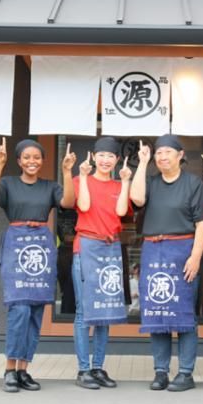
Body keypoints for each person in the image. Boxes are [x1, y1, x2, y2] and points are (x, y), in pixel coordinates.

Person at [0, 138, 76, 393]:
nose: (32, 161)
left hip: (41, 248)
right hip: (16, 246)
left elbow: (68, 203)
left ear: (43, 160)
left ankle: (23, 369)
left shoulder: (50, 186)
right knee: (19, 309)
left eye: (36, 157)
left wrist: (67, 172)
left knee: (35, 312)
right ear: (19, 160)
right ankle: (9, 369)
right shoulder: (8, 183)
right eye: (26, 157)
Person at [130, 135, 203, 392]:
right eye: (158, 153)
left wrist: (195, 257)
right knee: (157, 311)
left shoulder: (194, 184)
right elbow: (137, 199)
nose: (162, 156)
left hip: (183, 251)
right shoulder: (151, 183)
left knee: (184, 313)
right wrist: (143, 163)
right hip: (153, 250)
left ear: (180, 155)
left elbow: (202, 223)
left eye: (168, 152)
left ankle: (186, 372)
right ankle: (161, 371)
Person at [72, 137, 133, 389]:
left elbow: (121, 212)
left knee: (105, 311)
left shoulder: (119, 185)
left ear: (117, 160)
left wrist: (126, 182)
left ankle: (98, 367)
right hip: (86, 246)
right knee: (84, 312)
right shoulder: (79, 181)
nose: (106, 160)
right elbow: (84, 205)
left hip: (110, 248)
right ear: (93, 156)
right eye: (101, 155)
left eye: (110, 156)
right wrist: (83, 176)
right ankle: (83, 369)